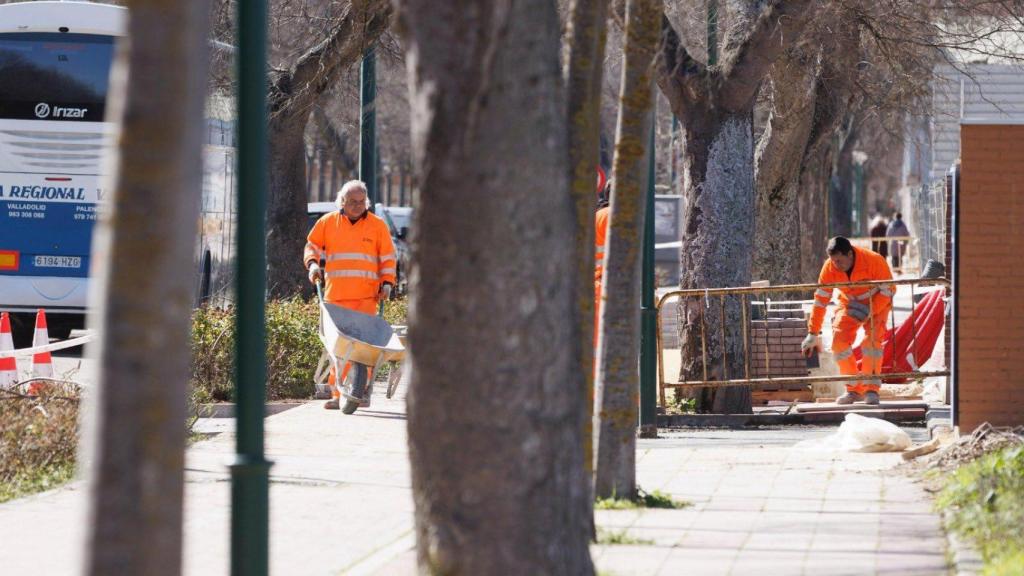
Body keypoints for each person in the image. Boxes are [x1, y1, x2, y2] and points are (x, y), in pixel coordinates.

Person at [304, 180, 397, 410]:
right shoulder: (328, 222)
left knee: (363, 350)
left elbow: (387, 257)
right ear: (342, 201)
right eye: (352, 202)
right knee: (339, 349)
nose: (357, 206)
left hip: (366, 297)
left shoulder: (377, 226)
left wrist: (386, 283)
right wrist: (313, 265)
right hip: (336, 296)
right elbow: (312, 245)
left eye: (361, 202)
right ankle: (338, 394)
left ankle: (360, 392)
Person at [801, 236, 895, 405]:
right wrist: (812, 332)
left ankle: (871, 390)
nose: (836, 265)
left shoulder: (873, 260)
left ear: (850, 254)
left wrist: (870, 310)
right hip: (849, 305)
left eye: (839, 260)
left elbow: (888, 290)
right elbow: (821, 300)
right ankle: (853, 390)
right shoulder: (829, 268)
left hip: (877, 304)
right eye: (833, 260)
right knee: (839, 343)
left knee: (871, 344)